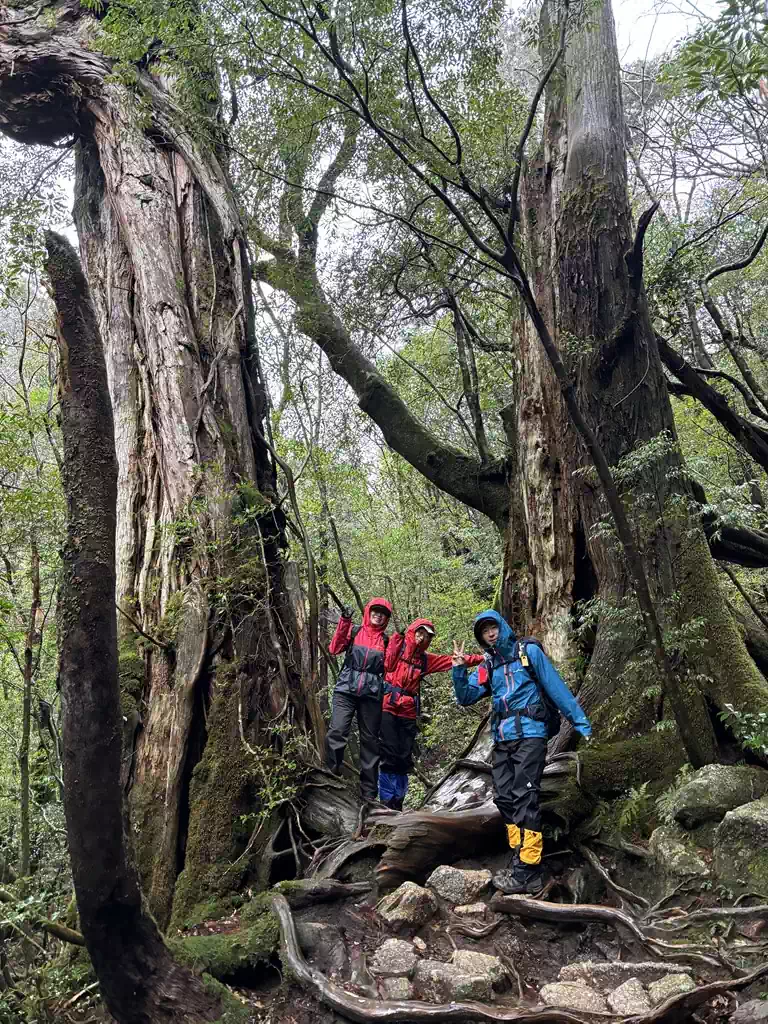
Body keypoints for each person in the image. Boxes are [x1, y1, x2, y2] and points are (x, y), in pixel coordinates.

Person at [452, 609, 592, 895]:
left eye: (492, 627)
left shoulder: (527, 652)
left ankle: (529, 871)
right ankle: (520, 857)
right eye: (483, 631)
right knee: (504, 796)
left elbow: (555, 687)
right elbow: (466, 697)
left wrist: (580, 722)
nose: (489, 634)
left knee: (524, 797)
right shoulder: (489, 665)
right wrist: (458, 669)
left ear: (501, 627)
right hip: (503, 738)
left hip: (531, 734)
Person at [378, 618, 483, 810]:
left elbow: (452, 661)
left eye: (426, 636)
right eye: (420, 633)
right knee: (388, 754)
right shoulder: (397, 646)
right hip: (388, 706)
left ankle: (398, 802)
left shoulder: (425, 660)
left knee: (404, 757)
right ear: (412, 631)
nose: (422, 638)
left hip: (408, 711)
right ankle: (386, 801)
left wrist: (482, 658)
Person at [326, 598, 392, 804]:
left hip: (371, 695)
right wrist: (344, 621)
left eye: (383, 613)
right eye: (375, 611)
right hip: (346, 689)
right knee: (337, 731)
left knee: (370, 743)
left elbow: (390, 668)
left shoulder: (387, 641)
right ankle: (331, 775)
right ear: (368, 612)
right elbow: (334, 648)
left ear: (386, 618)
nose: (378, 615)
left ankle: (369, 794)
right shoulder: (355, 631)